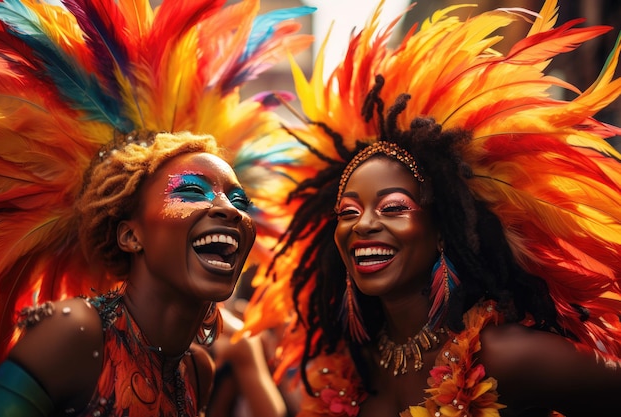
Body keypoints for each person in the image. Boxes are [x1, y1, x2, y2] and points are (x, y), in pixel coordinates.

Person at [241, 0, 621, 416]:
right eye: (348, 212)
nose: (363, 224)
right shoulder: (350, 368)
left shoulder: (504, 357)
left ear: (442, 228)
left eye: (392, 207)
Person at [0, 0, 313, 415]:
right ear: (131, 235)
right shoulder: (75, 332)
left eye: (239, 200)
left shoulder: (197, 367)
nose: (231, 210)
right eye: (192, 191)